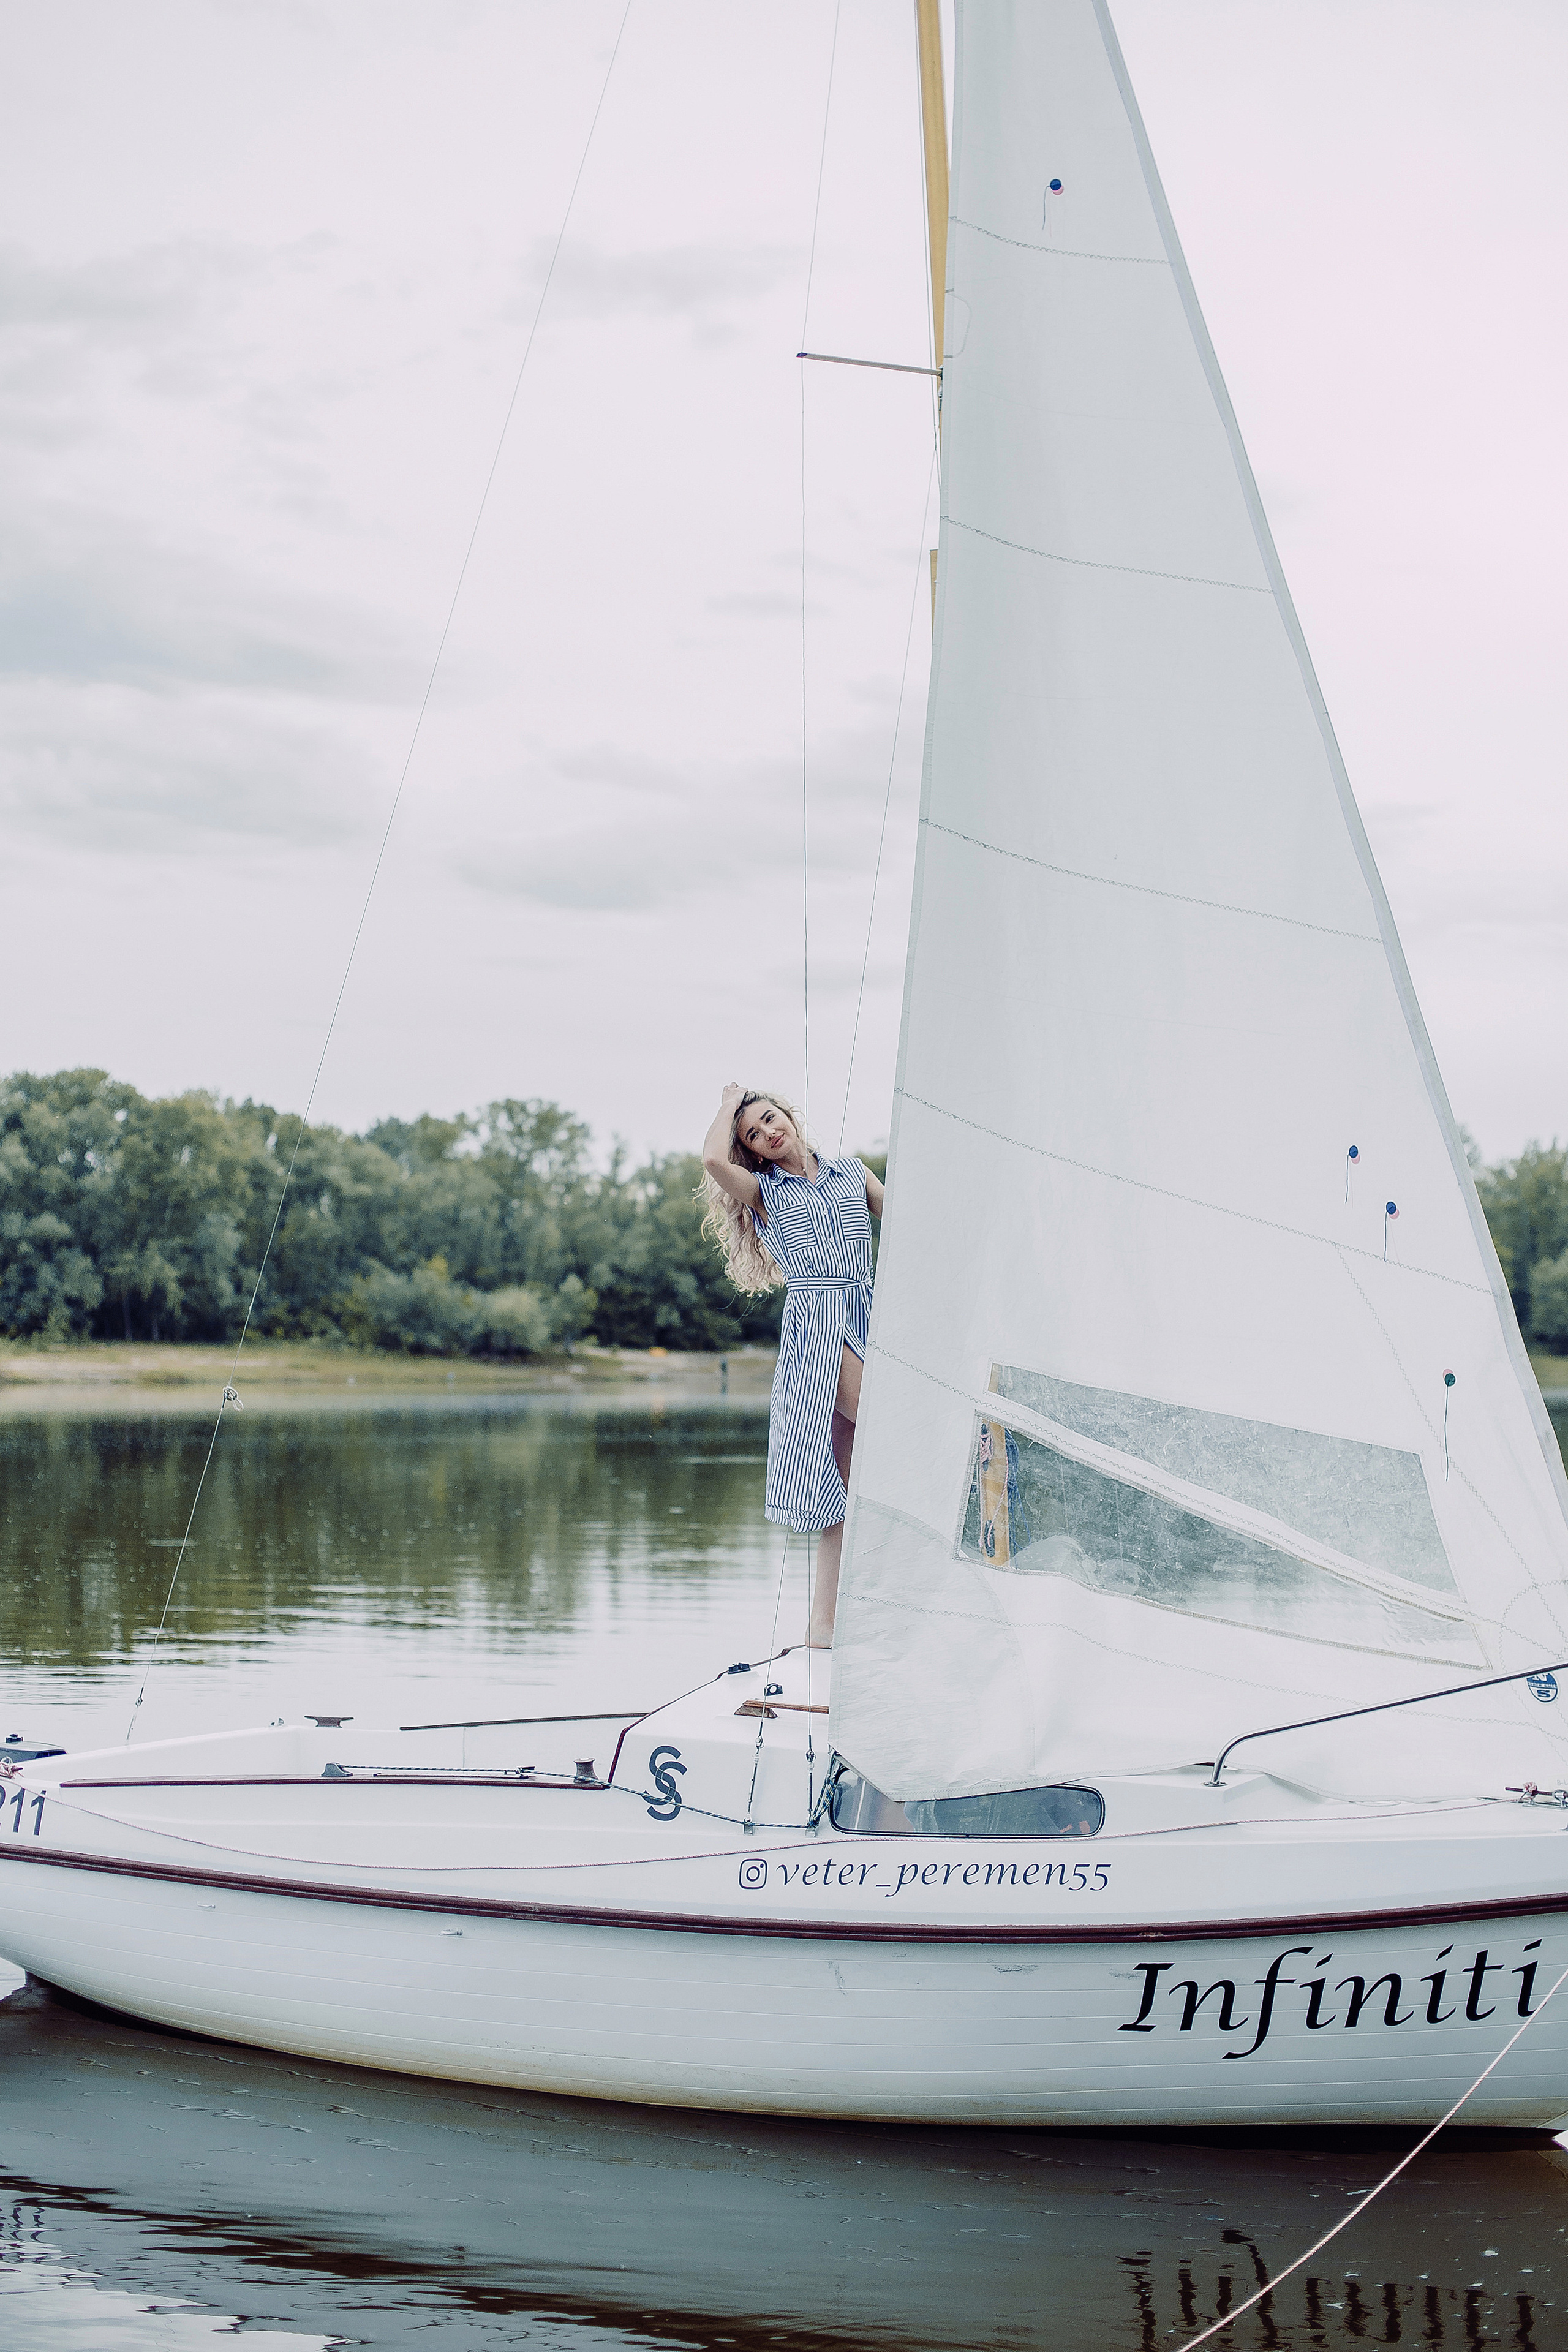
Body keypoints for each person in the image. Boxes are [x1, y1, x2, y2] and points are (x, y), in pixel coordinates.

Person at [699, 1085, 884, 1646]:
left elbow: (913, 1222)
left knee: (848, 1498)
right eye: (753, 1134)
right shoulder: (763, 1193)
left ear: (789, 1116)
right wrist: (728, 1104)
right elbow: (711, 1159)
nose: (767, 1133)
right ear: (752, 1151)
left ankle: (823, 1630)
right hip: (820, 1333)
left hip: (871, 1315)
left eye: (769, 1119)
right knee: (893, 1426)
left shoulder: (853, 1172)